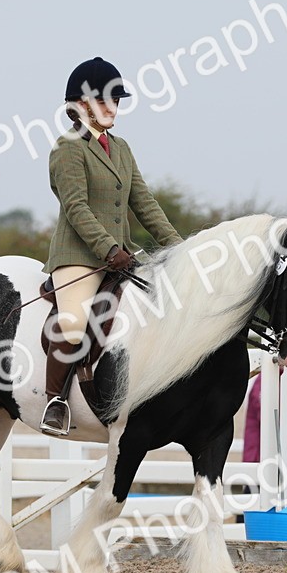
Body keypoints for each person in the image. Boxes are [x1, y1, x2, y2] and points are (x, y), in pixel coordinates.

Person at [40, 56, 184, 436]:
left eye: (116, 101)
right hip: (80, 258)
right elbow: (76, 207)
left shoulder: (120, 148)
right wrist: (107, 249)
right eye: (105, 101)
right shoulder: (67, 148)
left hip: (120, 257)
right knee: (72, 325)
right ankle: (55, 400)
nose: (113, 108)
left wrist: (181, 248)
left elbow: (144, 202)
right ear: (81, 105)